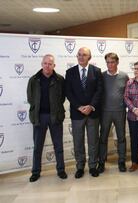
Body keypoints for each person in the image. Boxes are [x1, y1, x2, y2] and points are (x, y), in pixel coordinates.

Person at [27, 54, 67, 182]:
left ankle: (61, 170)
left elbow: (62, 98)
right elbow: (30, 98)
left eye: (50, 64)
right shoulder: (33, 80)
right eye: (45, 63)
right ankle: (35, 172)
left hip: (55, 116)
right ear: (42, 64)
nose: (47, 66)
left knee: (58, 146)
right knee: (37, 147)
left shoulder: (60, 79)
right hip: (39, 117)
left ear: (54, 65)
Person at [65, 47, 103, 178]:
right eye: (79, 55)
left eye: (84, 55)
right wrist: (79, 107)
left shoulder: (97, 71)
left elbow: (99, 91)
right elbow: (68, 92)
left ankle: (93, 166)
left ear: (89, 57)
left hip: (92, 113)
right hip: (77, 114)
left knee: (93, 141)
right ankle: (80, 166)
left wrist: (91, 106)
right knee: (78, 141)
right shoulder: (70, 72)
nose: (81, 57)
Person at [98, 52, 129, 173]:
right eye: (108, 62)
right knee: (103, 137)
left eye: (112, 62)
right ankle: (101, 162)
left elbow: (128, 94)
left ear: (117, 62)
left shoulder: (124, 76)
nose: (110, 65)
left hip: (120, 111)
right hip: (105, 111)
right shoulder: (101, 76)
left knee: (121, 137)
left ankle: (121, 161)